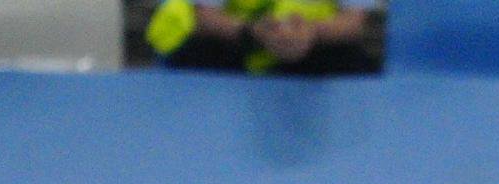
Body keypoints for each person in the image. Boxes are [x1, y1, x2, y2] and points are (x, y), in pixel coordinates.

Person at [144, 0, 378, 75]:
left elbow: (352, 22)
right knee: (198, 57)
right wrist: (253, 33)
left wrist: (311, 34)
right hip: (238, 41)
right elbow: (206, 16)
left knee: (352, 63)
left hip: (315, 45)